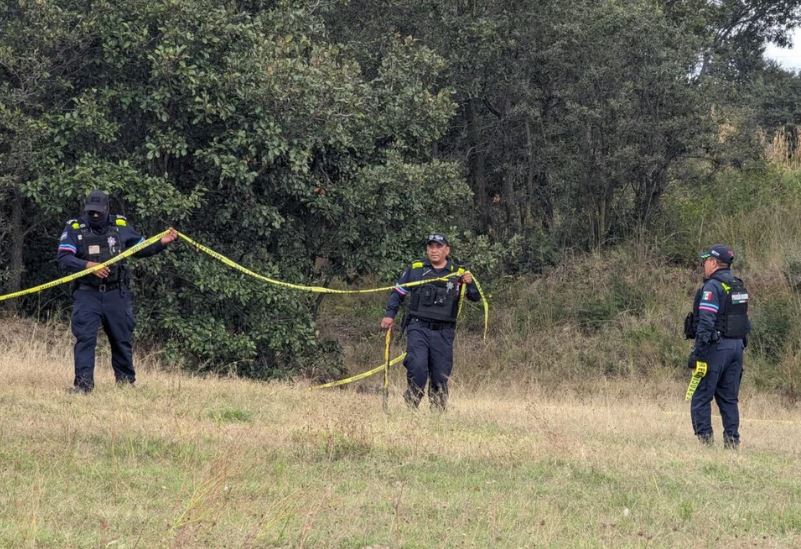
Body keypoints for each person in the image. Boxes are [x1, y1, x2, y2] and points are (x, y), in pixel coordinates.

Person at [57, 190, 178, 393]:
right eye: (91, 212)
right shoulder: (75, 228)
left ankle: (125, 383)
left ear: (107, 209)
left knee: (121, 338)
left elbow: (140, 248)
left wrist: (162, 243)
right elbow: (64, 258)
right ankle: (83, 385)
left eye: (98, 212)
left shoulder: (120, 227)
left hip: (116, 293)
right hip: (87, 293)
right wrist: (88, 265)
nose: (94, 216)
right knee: (85, 338)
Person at [381, 233, 480, 410]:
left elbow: (475, 297)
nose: (434, 251)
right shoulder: (416, 269)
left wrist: (470, 283)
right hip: (418, 326)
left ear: (447, 250)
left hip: (444, 331)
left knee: (440, 375)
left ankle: (438, 413)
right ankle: (411, 406)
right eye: (431, 247)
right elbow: (398, 293)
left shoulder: (457, 273)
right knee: (417, 367)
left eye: (438, 247)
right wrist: (390, 315)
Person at [684, 244, 750, 448]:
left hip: (717, 349)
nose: (704, 265)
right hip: (737, 348)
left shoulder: (712, 287)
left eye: (705, 261)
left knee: (702, 395)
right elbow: (745, 321)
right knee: (729, 399)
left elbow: (705, 322)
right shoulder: (738, 285)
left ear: (713, 262)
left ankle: (706, 442)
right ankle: (732, 442)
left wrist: (698, 354)